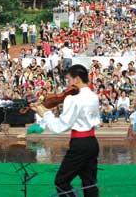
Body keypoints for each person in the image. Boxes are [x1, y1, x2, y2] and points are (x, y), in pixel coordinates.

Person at [31, 64, 100, 197]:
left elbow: (60, 126)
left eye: (69, 79)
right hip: (92, 142)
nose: (68, 84)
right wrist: (44, 110)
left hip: (79, 144)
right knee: (89, 182)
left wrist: (45, 113)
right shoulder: (93, 96)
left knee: (61, 181)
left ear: (77, 79)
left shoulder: (73, 99)